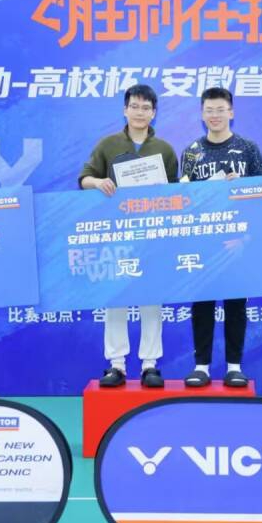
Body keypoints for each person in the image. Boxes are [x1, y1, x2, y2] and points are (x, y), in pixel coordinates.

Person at [79, 84, 179, 388]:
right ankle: (117, 365)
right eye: (134, 106)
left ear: (154, 113)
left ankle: (150, 364)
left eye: (146, 108)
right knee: (116, 298)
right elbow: (83, 179)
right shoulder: (107, 144)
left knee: (152, 299)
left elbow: (175, 193)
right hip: (116, 234)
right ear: (125, 110)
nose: (139, 112)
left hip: (152, 235)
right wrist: (98, 183)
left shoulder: (164, 149)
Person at [179, 87, 262, 389]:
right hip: (202, 242)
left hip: (238, 241)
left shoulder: (248, 149)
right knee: (202, 304)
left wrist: (245, 237)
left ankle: (234, 367)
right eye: (209, 110)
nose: (214, 115)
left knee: (235, 305)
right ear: (202, 114)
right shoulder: (191, 152)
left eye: (220, 109)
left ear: (231, 111)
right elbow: (184, 200)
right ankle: (201, 366)